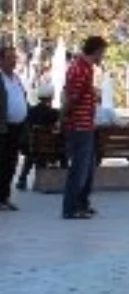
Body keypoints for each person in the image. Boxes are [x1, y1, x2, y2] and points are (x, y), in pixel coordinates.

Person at [61, 36, 107, 220]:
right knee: (79, 168)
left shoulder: (85, 68)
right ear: (96, 51)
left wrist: (92, 95)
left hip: (87, 124)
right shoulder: (80, 68)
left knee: (88, 167)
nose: (103, 56)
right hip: (79, 126)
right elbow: (72, 96)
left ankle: (82, 203)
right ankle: (71, 208)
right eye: (102, 52)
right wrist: (64, 117)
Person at [0, 43, 30, 210]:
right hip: (3, 129)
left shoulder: (16, 78)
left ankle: (4, 197)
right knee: (2, 164)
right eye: (10, 57)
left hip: (17, 128)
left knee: (11, 163)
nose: (14, 61)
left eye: (15, 58)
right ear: (1, 60)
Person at [15, 79, 59, 192]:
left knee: (32, 151)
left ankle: (22, 178)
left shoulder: (31, 111)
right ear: (51, 97)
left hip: (31, 145)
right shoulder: (53, 113)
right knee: (50, 147)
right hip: (49, 148)